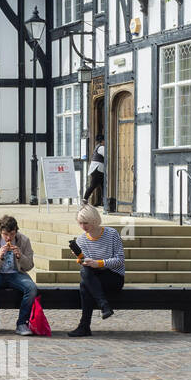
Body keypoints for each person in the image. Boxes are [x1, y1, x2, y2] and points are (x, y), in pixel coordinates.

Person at [69, 204, 126, 337]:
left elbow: (120, 260)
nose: (83, 227)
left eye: (86, 223)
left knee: (85, 284)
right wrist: (81, 258)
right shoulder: (82, 240)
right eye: (80, 223)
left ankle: (84, 326)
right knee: (85, 275)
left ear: (95, 220)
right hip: (94, 277)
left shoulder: (112, 234)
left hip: (114, 276)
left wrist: (99, 263)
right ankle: (103, 306)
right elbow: (86, 264)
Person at [0, 215, 39, 336]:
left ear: (16, 230)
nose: (9, 237)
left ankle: (22, 324)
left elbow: (29, 266)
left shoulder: (24, 240)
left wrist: (20, 256)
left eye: (12, 234)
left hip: (16, 274)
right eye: (5, 234)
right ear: (0, 232)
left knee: (31, 288)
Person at [84, 135, 106, 206]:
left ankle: (102, 202)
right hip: (97, 169)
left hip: (97, 169)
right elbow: (107, 155)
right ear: (102, 140)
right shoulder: (102, 147)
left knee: (102, 186)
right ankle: (84, 199)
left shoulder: (97, 147)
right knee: (93, 185)